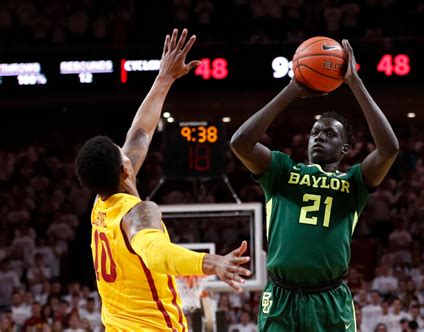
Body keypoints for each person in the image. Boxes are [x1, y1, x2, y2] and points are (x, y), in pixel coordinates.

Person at [75, 29, 251, 331]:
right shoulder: (139, 213)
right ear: (126, 169)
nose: (129, 153)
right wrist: (213, 263)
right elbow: (156, 254)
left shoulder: (100, 205)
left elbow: (139, 135)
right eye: (124, 156)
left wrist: (164, 77)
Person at [231, 39, 399, 331]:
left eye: (330, 134)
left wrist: (356, 84)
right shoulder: (281, 171)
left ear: (346, 149)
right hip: (280, 296)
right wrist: (293, 88)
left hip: (329, 299)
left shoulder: (354, 182)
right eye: (315, 132)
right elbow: (240, 143)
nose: (319, 136)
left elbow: (389, 149)